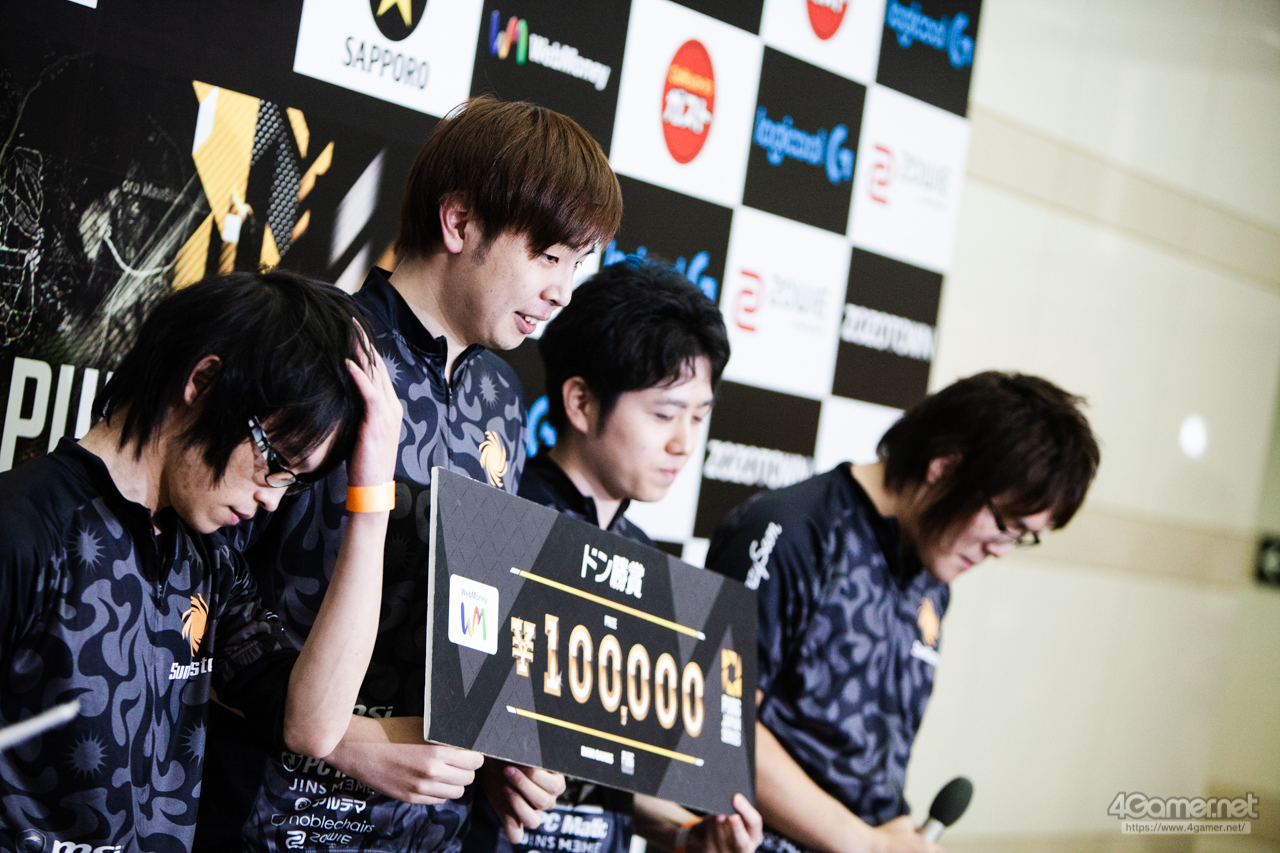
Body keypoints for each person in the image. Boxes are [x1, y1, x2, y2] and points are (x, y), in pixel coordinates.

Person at [195, 95, 624, 852]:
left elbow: (477, 627)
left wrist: (503, 759)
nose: (562, 290)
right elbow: (201, 594)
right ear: (459, 223)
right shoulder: (321, 349)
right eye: (548, 256)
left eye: (575, 264)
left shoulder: (501, 399)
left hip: (431, 834)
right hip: (275, 820)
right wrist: (342, 739)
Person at [0, 270, 403, 852]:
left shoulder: (208, 557)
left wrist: (371, 500)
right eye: (276, 462)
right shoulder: (26, 530)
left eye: (294, 481)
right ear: (204, 382)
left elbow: (311, 726)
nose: (273, 498)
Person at [704, 372, 1100, 853]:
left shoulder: (933, 575)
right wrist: (868, 844)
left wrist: (892, 835)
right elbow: (717, 721)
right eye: (1004, 524)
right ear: (944, 467)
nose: (1001, 550)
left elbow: (867, 764)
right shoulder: (792, 532)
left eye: (1022, 538)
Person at [464, 259, 763, 853]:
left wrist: (686, 835)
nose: (683, 443)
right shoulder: (500, 522)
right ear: (580, 402)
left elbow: (607, 773)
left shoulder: (647, 562)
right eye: (664, 414)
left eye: (698, 417)